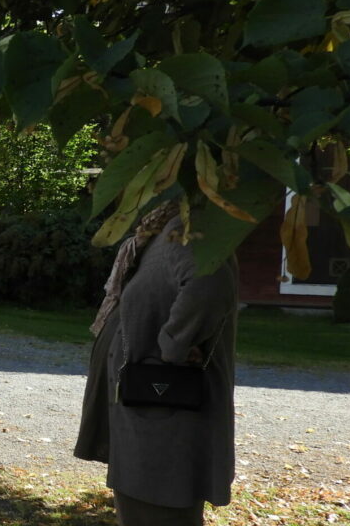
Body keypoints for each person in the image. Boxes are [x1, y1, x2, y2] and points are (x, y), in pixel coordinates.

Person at [74, 201, 239, 526]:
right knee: (140, 508)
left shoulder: (190, 230)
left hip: (163, 412)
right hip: (146, 409)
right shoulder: (163, 230)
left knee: (160, 510)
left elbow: (209, 286)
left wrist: (173, 347)